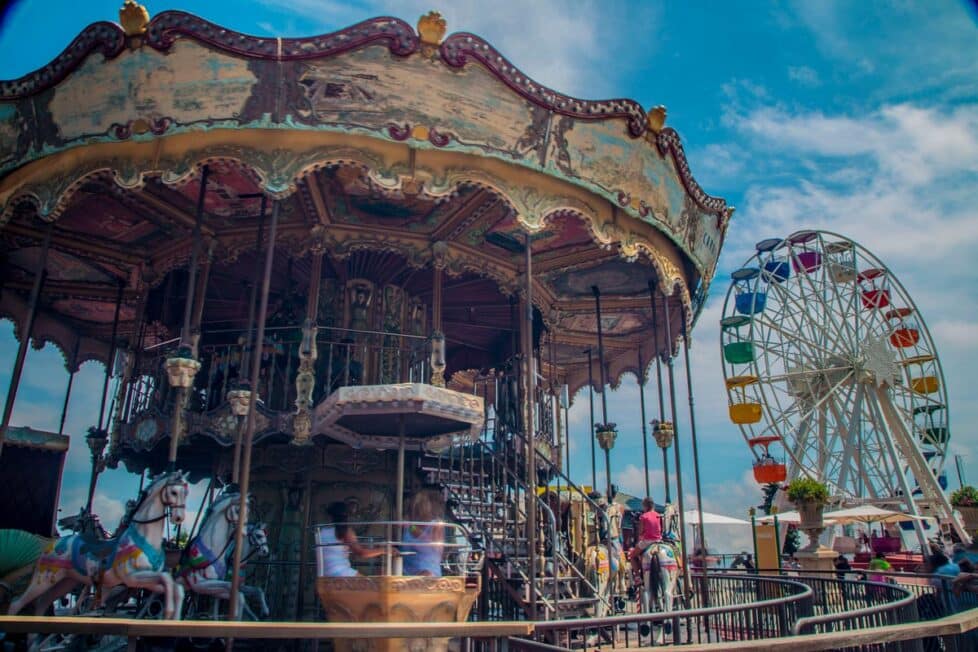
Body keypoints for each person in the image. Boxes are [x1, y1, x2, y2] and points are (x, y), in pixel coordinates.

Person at [317, 501, 387, 577]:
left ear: (330, 515)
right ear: (346, 516)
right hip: (342, 573)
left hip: (325, 573)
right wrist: (385, 550)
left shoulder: (321, 531)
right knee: (372, 586)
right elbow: (362, 553)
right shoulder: (345, 531)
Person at [402, 489, 445, 577]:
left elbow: (427, 543)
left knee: (426, 574)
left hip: (428, 572)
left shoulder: (436, 524)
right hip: (405, 571)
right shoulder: (407, 524)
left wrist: (411, 527)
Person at [629, 497, 663, 578]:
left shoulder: (643, 517)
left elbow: (640, 531)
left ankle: (637, 576)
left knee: (632, 556)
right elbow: (661, 530)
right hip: (658, 541)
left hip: (647, 541)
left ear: (645, 506)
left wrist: (641, 535)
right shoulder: (659, 516)